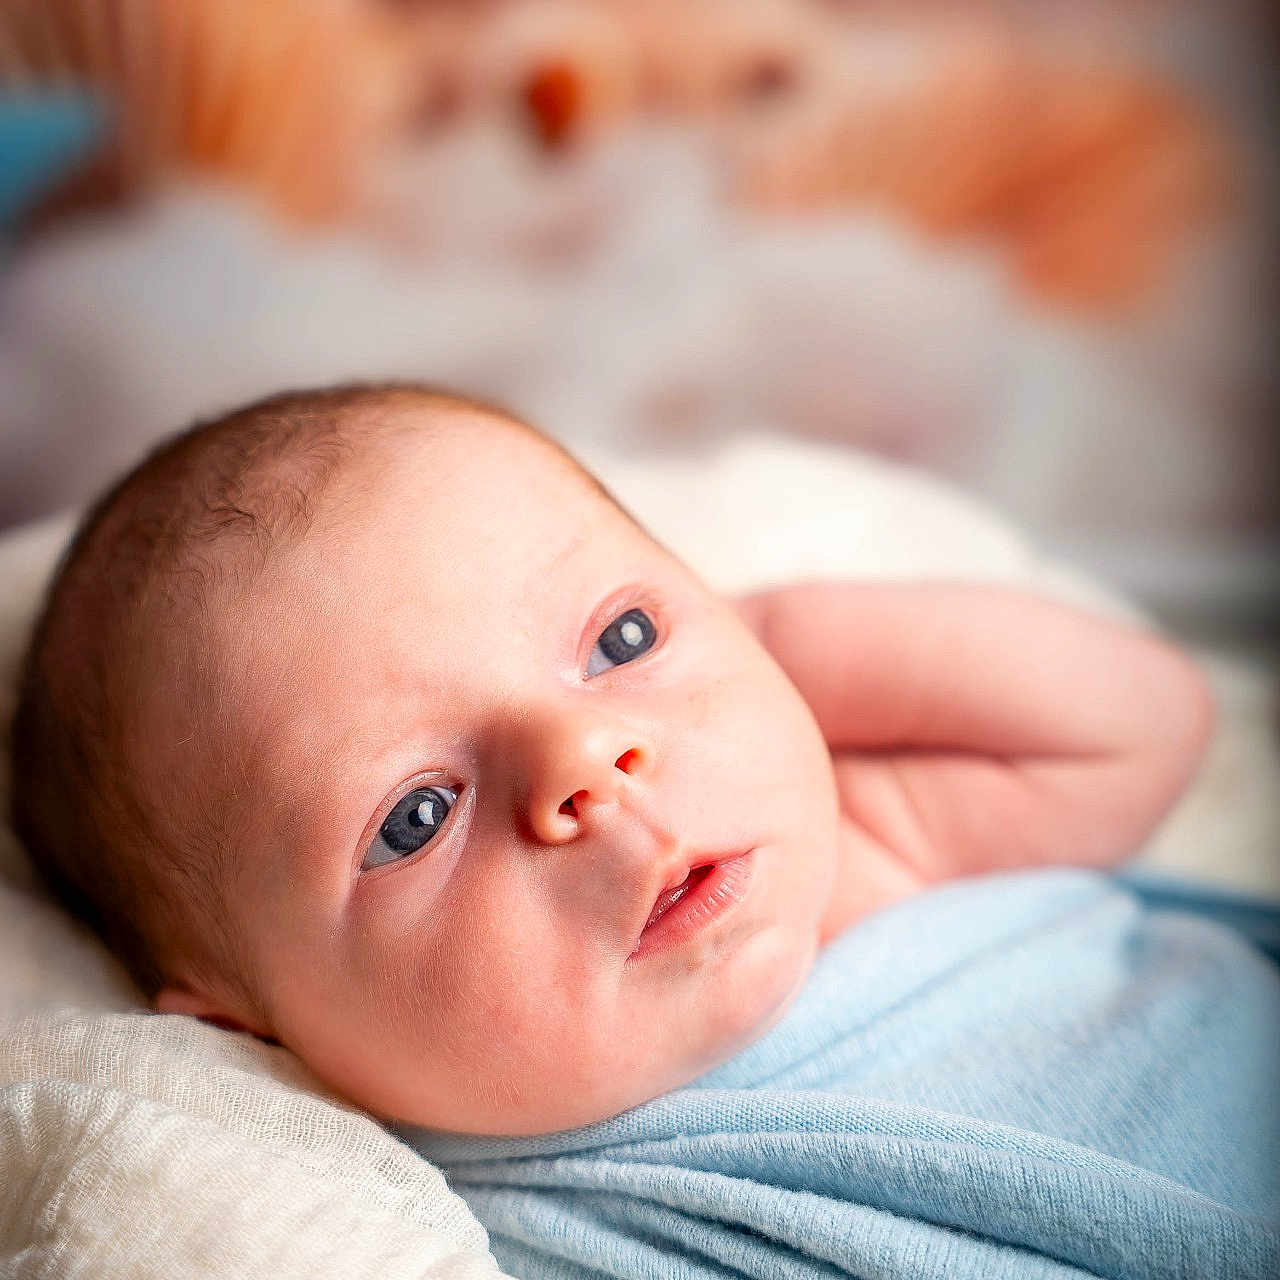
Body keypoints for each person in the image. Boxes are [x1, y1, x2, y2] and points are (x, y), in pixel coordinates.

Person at [11, 383, 1276, 1278]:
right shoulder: (430, 1211)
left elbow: (1144, 719)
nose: (586, 763)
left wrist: (771, 645)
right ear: (243, 1015)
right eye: (417, 812)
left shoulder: (882, 841)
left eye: (621, 638)